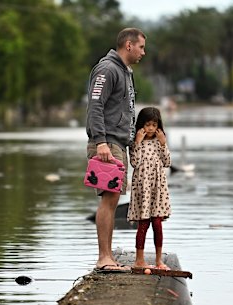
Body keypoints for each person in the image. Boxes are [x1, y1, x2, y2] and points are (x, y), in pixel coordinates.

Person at [86, 28, 146, 272]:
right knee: (108, 202)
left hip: (117, 144)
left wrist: (133, 143)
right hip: (106, 144)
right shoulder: (107, 69)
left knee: (112, 200)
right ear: (129, 45)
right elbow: (95, 106)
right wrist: (100, 141)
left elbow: (125, 111)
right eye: (141, 46)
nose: (144, 52)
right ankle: (104, 259)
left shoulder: (124, 71)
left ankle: (108, 257)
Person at [127, 107, 171, 270]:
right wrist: (137, 142)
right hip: (142, 188)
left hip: (158, 189)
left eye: (154, 125)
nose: (151, 128)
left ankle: (159, 260)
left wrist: (163, 143)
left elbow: (167, 162)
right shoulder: (136, 142)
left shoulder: (160, 142)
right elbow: (134, 162)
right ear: (141, 125)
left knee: (157, 224)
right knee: (143, 224)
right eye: (147, 125)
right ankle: (139, 260)